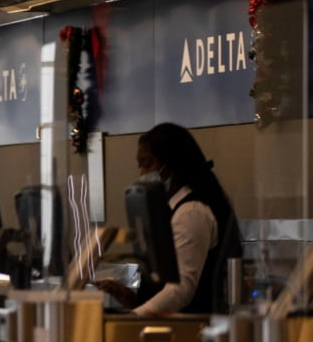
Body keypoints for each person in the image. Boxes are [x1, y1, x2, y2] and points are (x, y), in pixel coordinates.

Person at [99, 123, 242, 315]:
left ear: (169, 165)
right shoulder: (174, 210)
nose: (141, 172)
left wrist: (131, 321)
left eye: (147, 163)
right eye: (139, 164)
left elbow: (180, 290)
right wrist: (133, 299)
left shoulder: (191, 212)